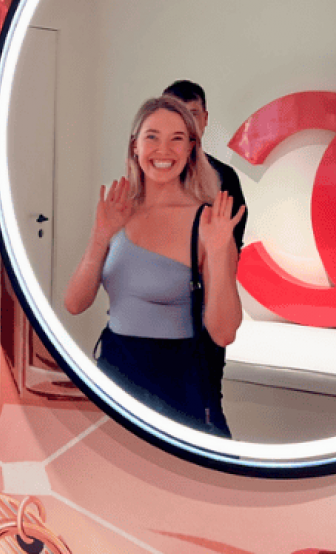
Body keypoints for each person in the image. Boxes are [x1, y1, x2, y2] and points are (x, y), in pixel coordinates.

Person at [64, 95, 244, 436]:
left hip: (174, 387)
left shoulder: (207, 223)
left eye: (177, 138)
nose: (164, 150)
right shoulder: (118, 211)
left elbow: (223, 332)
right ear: (135, 146)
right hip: (113, 370)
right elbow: (74, 303)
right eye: (152, 136)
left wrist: (220, 252)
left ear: (192, 148)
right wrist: (100, 236)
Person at [162, 80, 247, 251]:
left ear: (205, 118)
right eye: (177, 114)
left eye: (193, 114)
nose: (186, 123)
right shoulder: (149, 175)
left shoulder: (224, 177)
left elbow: (232, 246)